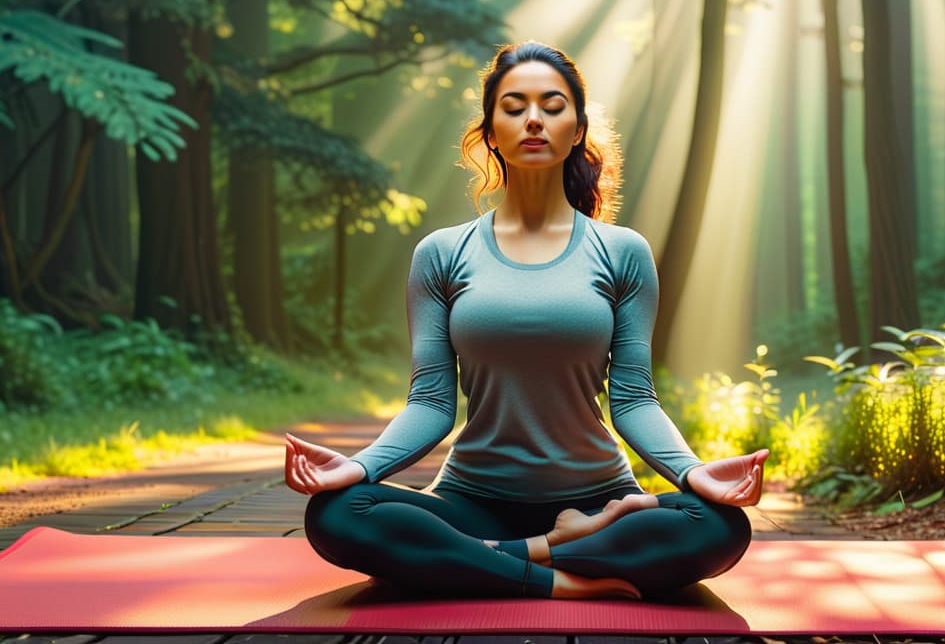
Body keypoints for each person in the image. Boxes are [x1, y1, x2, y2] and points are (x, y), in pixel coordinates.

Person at [284, 40, 769, 601]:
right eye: (514, 107)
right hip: (471, 503)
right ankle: (559, 576)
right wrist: (359, 469)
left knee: (720, 526)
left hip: (598, 501)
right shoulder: (441, 253)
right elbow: (432, 403)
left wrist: (692, 474)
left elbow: (634, 399)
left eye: (553, 105)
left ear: (579, 127)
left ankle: (489, 564)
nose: (533, 119)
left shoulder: (623, 251)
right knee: (338, 513)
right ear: (490, 130)